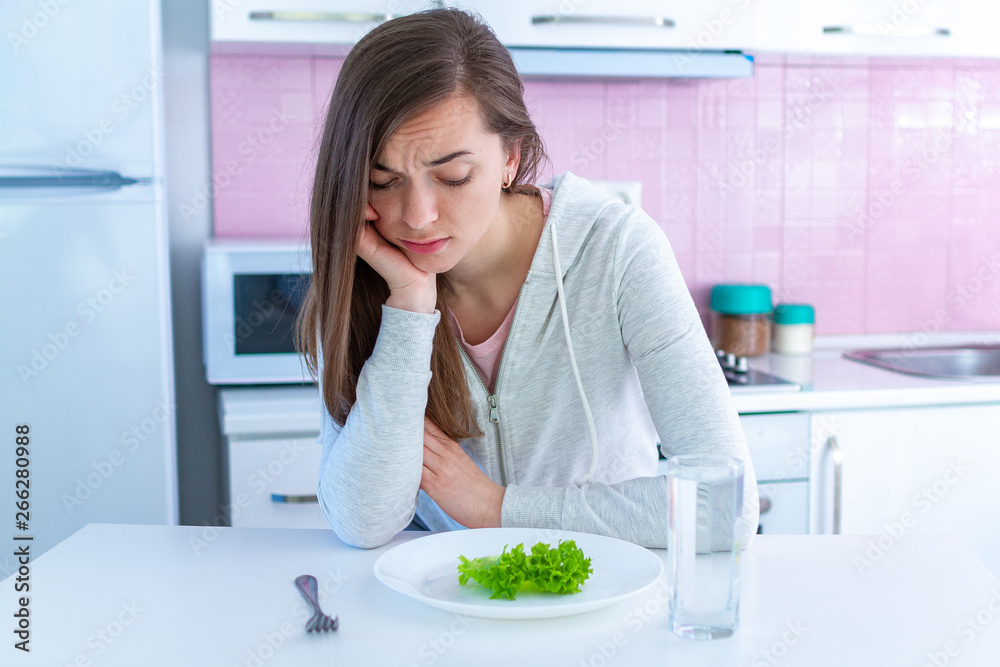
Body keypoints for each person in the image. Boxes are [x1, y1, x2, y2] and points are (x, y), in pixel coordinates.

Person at [296, 8, 759, 549]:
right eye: (383, 180)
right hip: (449, 601)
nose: (417, 215)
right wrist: (409, 308)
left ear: (511, 158)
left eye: (453, 177)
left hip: (602, 592)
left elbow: (726, 505)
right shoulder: (369, 274)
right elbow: (362, 521)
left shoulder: (618, 250)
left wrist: (497, 507)